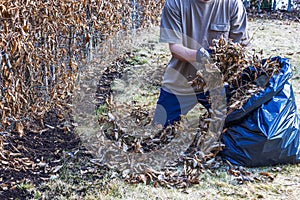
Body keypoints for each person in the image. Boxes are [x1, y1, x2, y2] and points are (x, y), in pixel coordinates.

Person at [152, 0, 249, 127]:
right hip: (181, 81)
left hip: (219, 85)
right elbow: (175, 48)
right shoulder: (175, 3)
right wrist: (203, 55)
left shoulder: (233, 4)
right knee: (159, 131)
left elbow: (240, 48)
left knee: (236, 130)